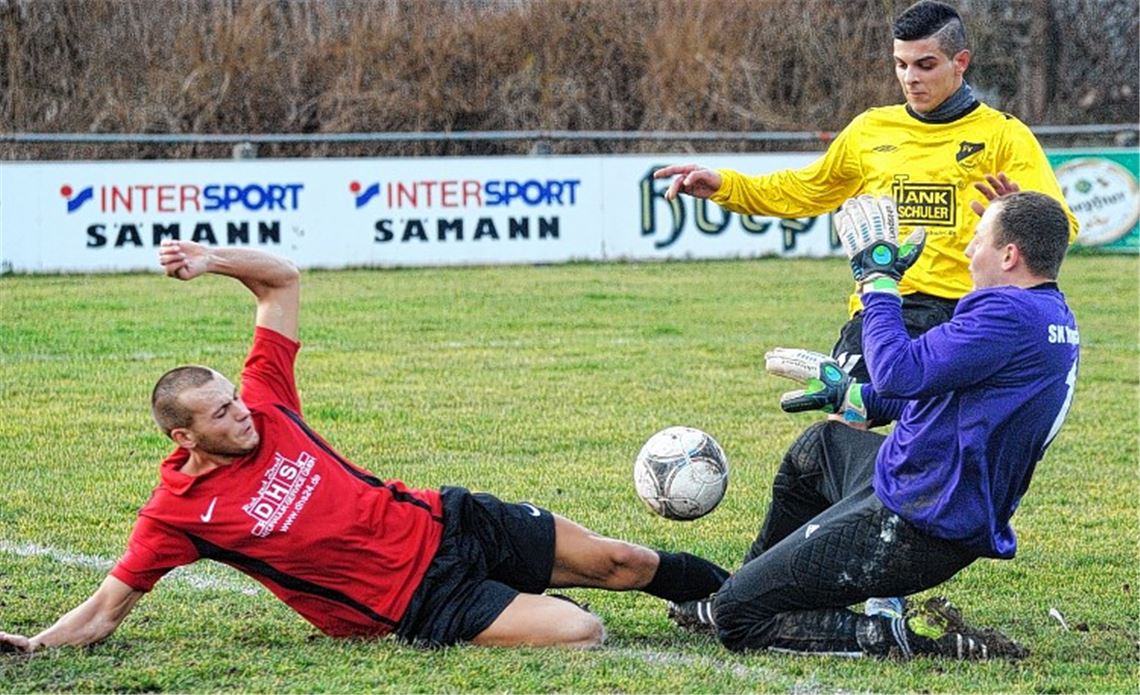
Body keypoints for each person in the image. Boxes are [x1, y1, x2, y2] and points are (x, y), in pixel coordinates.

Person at [0, 239, 729, 654]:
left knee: (625, 561)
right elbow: (104, 610)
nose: (243, 413)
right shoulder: (176, 516)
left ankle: (755, 594)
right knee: (581, 631)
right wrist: (35, 646)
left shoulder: (267, 399)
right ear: (184, 436)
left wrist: (210, 262)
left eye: (236, 397)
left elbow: (280, 281)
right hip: (418, 599)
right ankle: (518, 603)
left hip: (448, 520)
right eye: (223, 412)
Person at [668, 189, 1079, 659]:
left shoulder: (1007, 313)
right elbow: (946, 396)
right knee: (819, 447)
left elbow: (900, 371)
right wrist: (853, 395)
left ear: (1009, 255)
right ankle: (746, 585)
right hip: (919, 485)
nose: (968, 251)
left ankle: (888, 638)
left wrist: (878, 282)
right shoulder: (1047, 313)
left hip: (917, 520)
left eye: (978, 239)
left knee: (739, 621)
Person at [653, 0, 1077, 391]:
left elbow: (1061, 227)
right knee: (845, 411)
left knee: (941, 439)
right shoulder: (871, 130)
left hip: (965, 312)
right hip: (884, 303)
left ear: (960, 62)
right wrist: (726, 186)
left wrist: (1018, 213)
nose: (911, 78)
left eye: (925, 65)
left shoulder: (1004, 135)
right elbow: (807, 189)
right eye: (901, 64)